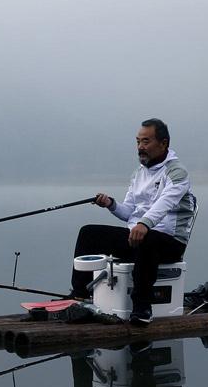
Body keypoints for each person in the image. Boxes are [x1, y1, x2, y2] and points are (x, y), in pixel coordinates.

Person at [71, 118, 195, 323]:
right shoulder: (139, 173)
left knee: (147, 238)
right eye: (138, 142)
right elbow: (129, 212)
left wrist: (144, 224)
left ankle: (142, 308)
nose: (140, 147)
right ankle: (80, 296)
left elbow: (164, 204)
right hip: (138, 235)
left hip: (170, 241)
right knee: (88, 233)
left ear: (163, 143)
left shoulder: (177, 172)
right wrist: (110, 204)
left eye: (146, 142)